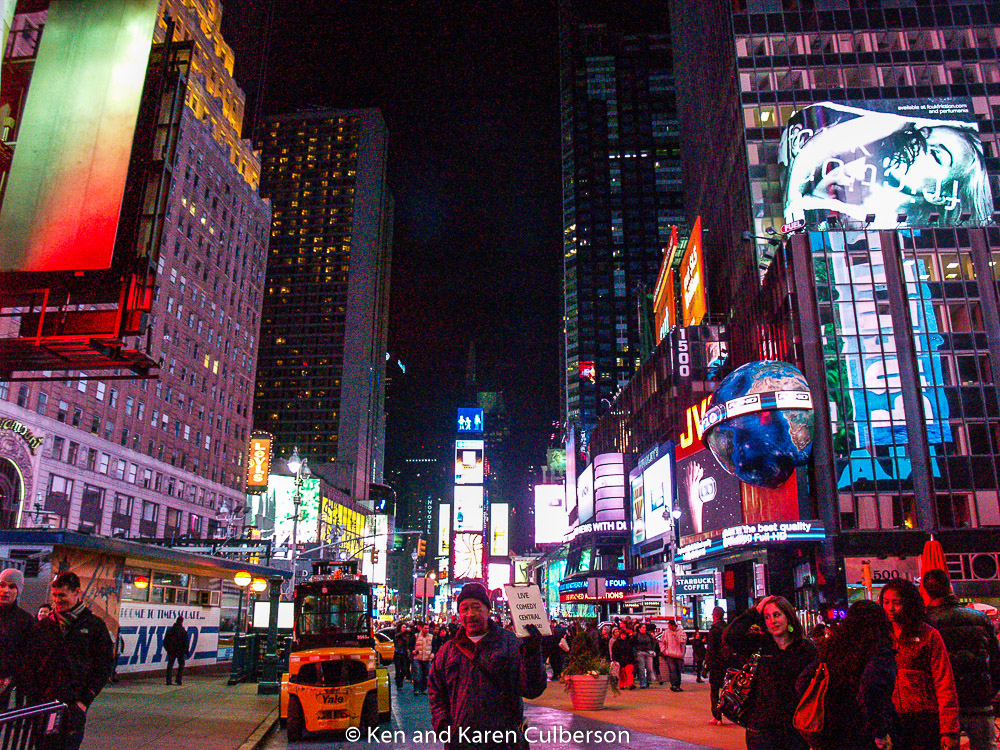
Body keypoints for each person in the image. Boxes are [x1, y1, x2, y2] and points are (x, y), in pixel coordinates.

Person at [781, 101, 993, 228]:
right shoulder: (859, 169)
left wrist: (794, 201)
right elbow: (820, 147)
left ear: (936, 195)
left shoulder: (883, 227)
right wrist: (905, 120)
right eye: (923, 133)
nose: (918, 143)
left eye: (937, 155)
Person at [428, 582, 545, 750]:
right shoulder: (448, 651)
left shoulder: (510, 643)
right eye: (464, 609)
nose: (470, 614)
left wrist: (532, 654)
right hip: (461, 743)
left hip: (504, 743)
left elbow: (532, 690)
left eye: (476, 608)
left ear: (488, 610)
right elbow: (436, 691)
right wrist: (443, 726)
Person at [796, 600, 898, 750]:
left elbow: (802, 681)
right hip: (862, 734)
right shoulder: (878, 652)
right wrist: (880, 731)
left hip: (830, 732)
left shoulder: (831, 650)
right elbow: (871, 689)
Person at [724, 595, 817, 750]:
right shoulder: (760, 645)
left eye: (777, 615)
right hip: (761, 731)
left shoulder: (806, 650)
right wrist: (755, 611)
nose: (772, 621)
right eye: (767, 617)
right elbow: (730, 636)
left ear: (788, 616)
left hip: (795, 731)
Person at [923, 568, 1000, 750]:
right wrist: (990, 690)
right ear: (950, 586)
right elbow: (996, 661)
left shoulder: (925, 624)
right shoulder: (979, 618)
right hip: (979, 699)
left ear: (926, 592)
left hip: (943, 707)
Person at [879, 578, 960, 750]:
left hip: (924, 721)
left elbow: (944, 683)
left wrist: (949, 729)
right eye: (886, 602)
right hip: (889, 721)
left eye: (897, 603)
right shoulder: (880, 636)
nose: (890, 608)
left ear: (909, 604)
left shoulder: (929, 636)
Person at [48, 571, 115, 750]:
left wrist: (84, 700)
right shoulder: (47, 624)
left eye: (62, 595)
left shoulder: (94, 626)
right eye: (54, 595)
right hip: (46, 704)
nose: (57, 600)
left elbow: (104, 666)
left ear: (76, 592)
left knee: (68, 745)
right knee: (45, 744)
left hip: (74, 704)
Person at [0, 568, 34, 708]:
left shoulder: (25, 620)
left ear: (18, 590)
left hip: (5, 684)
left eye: (12, 587)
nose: (6, 590)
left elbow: (26, 656)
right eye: (2, 585)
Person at [706, 606, 728, 725]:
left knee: (714, 691)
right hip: (727, 663)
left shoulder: (714, 630)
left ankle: (717, 716)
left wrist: (707, 665)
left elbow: (711, 650)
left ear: (714, 615)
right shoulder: (727, 628)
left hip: (716, 664)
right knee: (726, 690)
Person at [660, 619, 687, 692]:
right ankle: (673, 685)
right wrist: (663, 650)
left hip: (679, 655)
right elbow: (662, 642)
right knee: (672, 670)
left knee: (678, 670)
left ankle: (678, 685)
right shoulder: (666, 632)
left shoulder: (681, 632)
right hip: (670, 654)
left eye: (670, 626)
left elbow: (683, 641)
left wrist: (676, 636)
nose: (669, 627)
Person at [163, 616, 189, 685]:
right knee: (181, 664)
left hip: (171, 650)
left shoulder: (170, 630)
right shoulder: (183, 631)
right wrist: (186, 652)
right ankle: (178, 679)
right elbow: (186, 642)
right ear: (182, 622)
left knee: (170, 664)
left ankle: (168, 680)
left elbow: (165, 641)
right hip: (180, 651)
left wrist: (168, 649)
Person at [412, 622, 433, 696]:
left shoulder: (431, 637)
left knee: (426, 675)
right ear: (422, 628)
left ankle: (424, 689)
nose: (427, 630)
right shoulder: (416, 636)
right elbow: (410, 645)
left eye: (428, 628)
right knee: (417, 674)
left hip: (427, 658)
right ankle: (416, 689)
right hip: (417, 658)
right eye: (425, 628)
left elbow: (434, 646)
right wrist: (413, 651)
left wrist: (433, 653)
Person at [633, 622, 657, 688]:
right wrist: (636, 652)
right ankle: (642, 683)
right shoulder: (636, 635)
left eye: (645, 628)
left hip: (648, 652)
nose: (644, 629)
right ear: (640, 629)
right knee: (641, 668)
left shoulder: (648, 634)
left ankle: (648, 681)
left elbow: (654, 641)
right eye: (643, 628)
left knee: (649, 668)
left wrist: (652, 649)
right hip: (640, 652)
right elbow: (634, 644)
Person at [393, 623, 412, 690]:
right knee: (398, 670)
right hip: (398, 653)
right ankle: (399, 684)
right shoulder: (397, 634)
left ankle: (400, 680)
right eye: (403, 627)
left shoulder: (406, 635)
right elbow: (396, 638)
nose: (404, 628)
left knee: (404, 669)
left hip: (404, 654)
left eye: (405, 627)